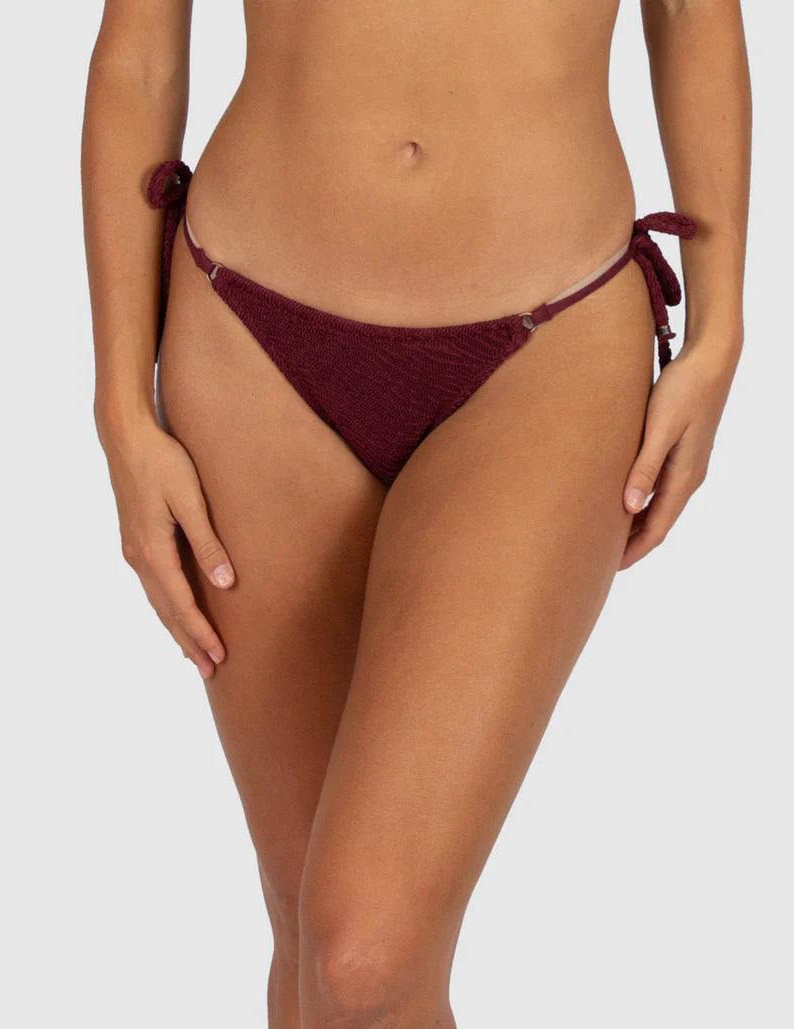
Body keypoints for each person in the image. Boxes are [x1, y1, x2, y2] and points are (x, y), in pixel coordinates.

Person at [81, 0, 750, 1024]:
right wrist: (122, 408)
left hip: (548, 340)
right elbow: (138, 53)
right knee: (309, 937)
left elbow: (692, 11)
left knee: (364, 957)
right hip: (250, 330)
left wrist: (720, 325)